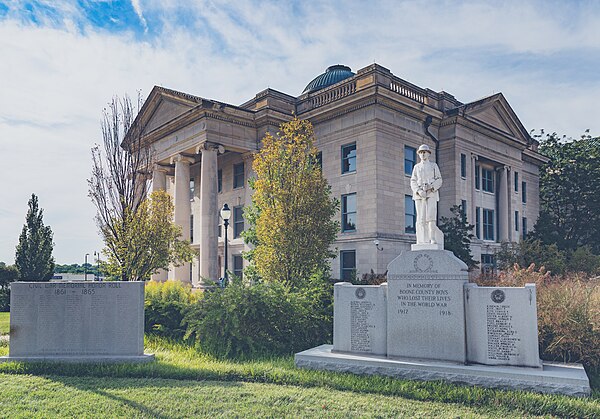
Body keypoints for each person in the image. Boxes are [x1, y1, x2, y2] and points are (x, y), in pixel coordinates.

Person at [410, 144, 444, 246]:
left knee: (431, 217)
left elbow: (439, 179)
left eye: (424, 152)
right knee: (421, 218)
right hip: (420, 195)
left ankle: (432, 238)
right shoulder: (416, 167)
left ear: (428, 154)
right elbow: (413, 181)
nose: (422, 154)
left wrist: (431, 187)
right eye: (420, 152)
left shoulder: (434, 166)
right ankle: (421, 239)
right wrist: (419, 191)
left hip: (431, 194)